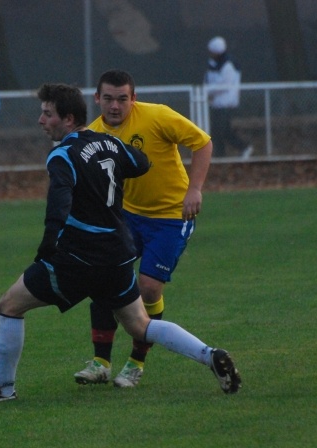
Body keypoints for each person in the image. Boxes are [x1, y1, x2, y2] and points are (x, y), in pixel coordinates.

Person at [0, 83, 241, 404]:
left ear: (68, 119)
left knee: (9, 305)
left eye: (47, 114)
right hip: (117, 255)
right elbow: (141, 163)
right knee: (140, 324)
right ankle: (210, 354)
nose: (41, 120)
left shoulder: (62, 155)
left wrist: (48, 245)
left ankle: (3, 389)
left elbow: (58, 204)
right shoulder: (110, 142)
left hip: (79, 257)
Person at [73, 69, 213, 389]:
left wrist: (195, 189)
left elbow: (202, 142)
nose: (115, 106)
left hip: (171, 217)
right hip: (128, 217)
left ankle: (136, 363)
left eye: (122, 99)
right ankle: (100, 363)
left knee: (149, 289)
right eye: (108, 98)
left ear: (133, 98)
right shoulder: (92, 135)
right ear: (97, 98)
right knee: (103, 277)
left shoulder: (157, 116)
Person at [204, 36, 253, 159]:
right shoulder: (214, 64)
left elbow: (224, 85)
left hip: (225, 103)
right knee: (220, 131)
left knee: (220, 130)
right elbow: (210, 79)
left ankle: (241, 148)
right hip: (217, 102)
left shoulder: (228, 65)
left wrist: (207, 90)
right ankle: (223, 154)